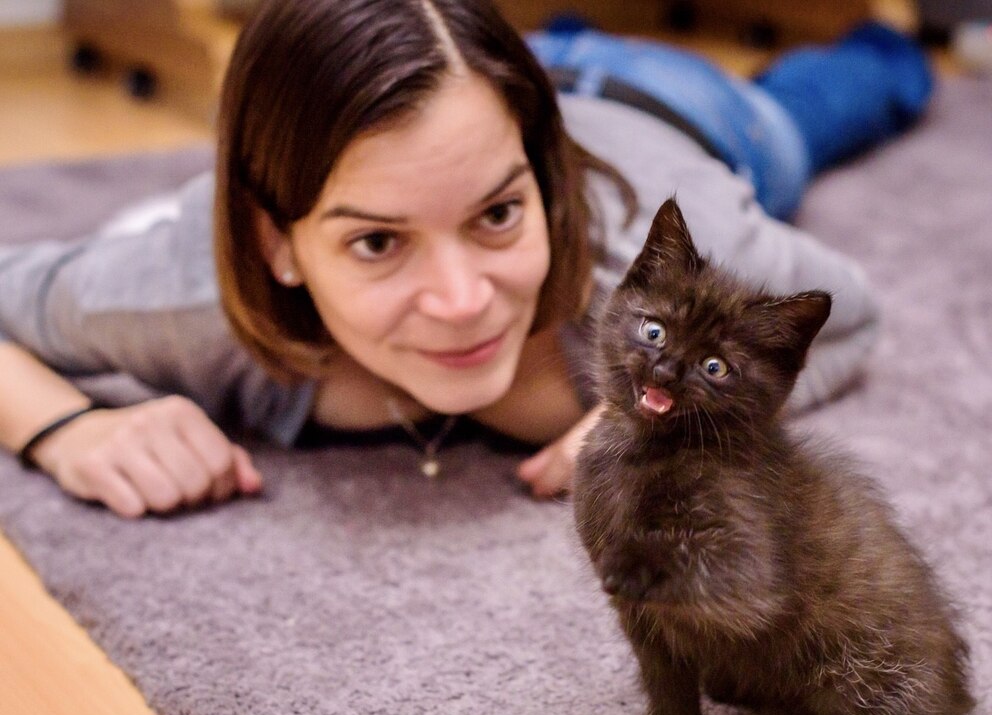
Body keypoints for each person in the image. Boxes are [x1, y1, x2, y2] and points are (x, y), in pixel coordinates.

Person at [0, 0, 930, 518]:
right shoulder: (185, 299)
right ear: (273, 243)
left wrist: (672, 419)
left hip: (670, 105)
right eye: (376, 239)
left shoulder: (657, 274)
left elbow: (856, 318)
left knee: (825, 103)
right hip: (510, 80)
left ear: (542, 182)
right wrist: (65, 429)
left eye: (496, 216)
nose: (459, 301)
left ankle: (888, 45)